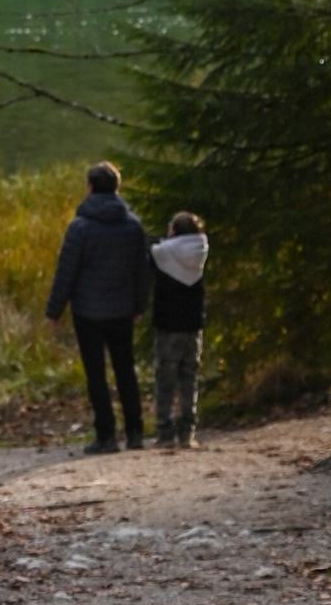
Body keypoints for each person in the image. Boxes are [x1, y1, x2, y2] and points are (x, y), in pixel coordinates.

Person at [44, 159, 151, 451]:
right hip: (122, 310)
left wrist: (55, 311)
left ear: (89, 189)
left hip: (88, 312)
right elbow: (142, 270)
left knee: (97, 375)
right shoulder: (133, 225)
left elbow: (67, 271)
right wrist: (139, 305)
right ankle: (135, 433)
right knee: (126, 370)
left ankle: (106, 436)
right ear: (117, 189)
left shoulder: (80, 227)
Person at [150, 207, 209, 448]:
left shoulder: (163, 253)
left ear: (173, 231)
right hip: (194, 326)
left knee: (165, 380)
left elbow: (151, 250)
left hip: (168, 326)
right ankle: (187, 433)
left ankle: (165, 432)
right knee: (189, 379)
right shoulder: (200, 251)